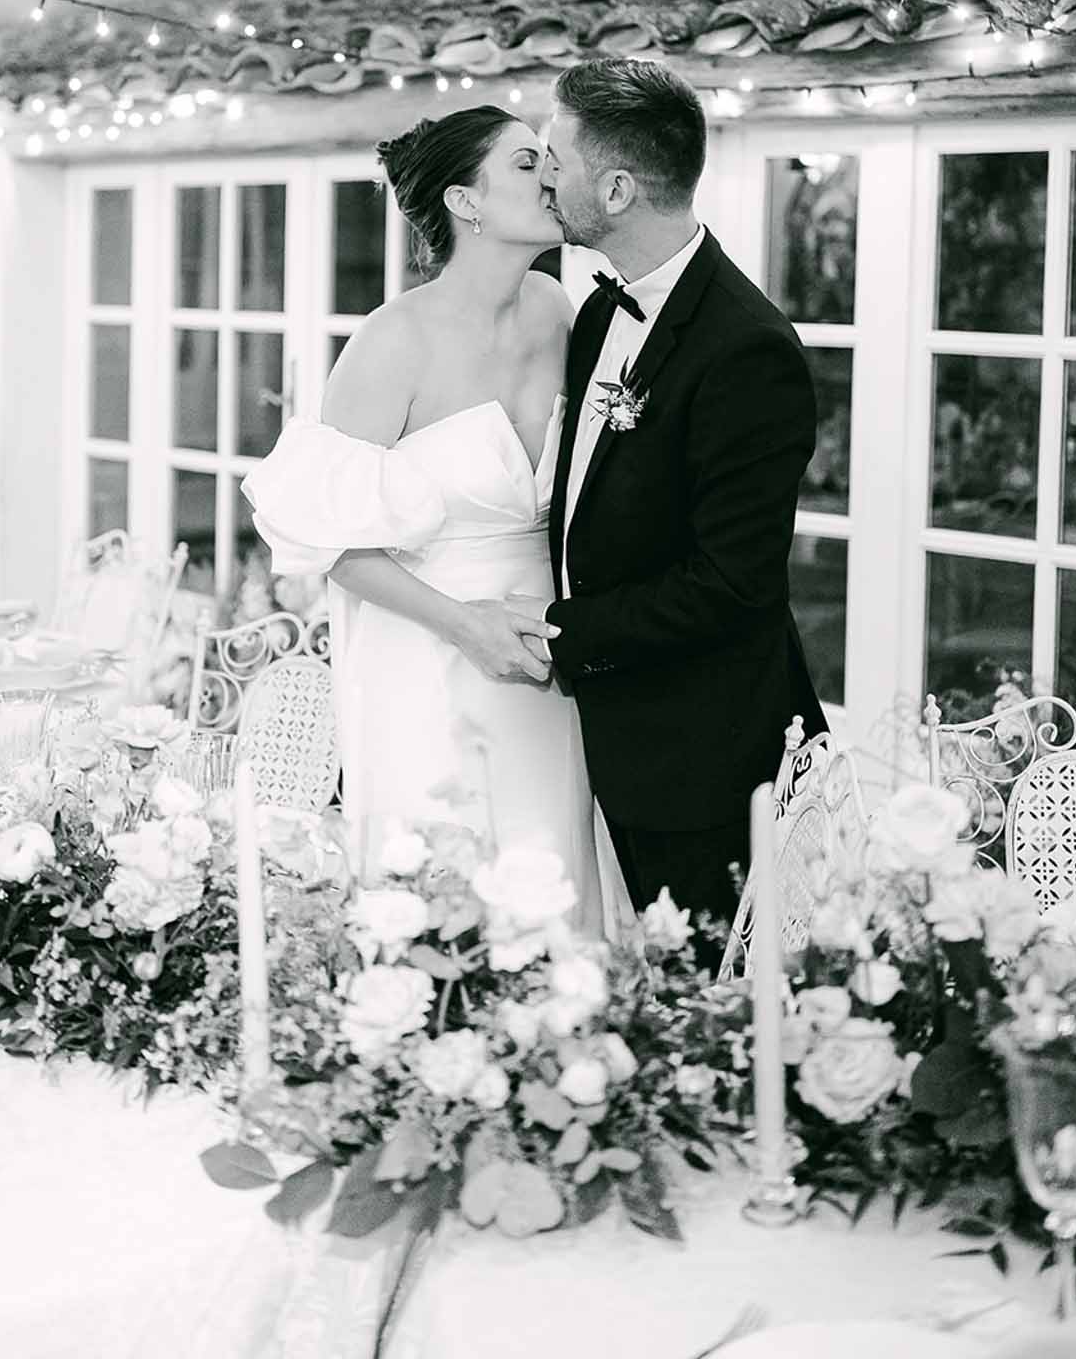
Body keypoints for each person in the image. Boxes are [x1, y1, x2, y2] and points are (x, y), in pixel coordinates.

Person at [241, 107, 623, 923]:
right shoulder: (393, 339)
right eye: (527, 164)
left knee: (550, 874)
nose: (552, 176)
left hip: (543, 652)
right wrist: (463, 624)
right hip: (424, 651)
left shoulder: (559, 309)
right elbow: (325, 542)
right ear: (465, 201)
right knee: (444, 888)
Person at [540, 57, 826, 948]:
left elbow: (730, 584)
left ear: (618, 188)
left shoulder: (748, 349)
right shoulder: (596, 315)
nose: (545, 173)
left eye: (556, 155)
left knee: (700, 1022)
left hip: (697, 756)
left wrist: (560, 631)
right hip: (591, 739)